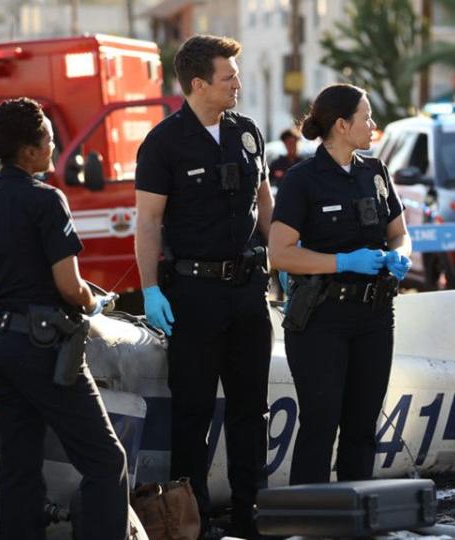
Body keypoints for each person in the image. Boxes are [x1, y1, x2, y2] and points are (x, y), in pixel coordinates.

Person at [133, 34, 273, 538]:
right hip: (193, 295)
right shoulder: (164, 142)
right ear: (198, 84)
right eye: (228, 76)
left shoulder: (248, 132)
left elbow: (264, 205)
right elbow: (147, 223)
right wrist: (150, 290)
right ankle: (191, 521)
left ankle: (249, 514)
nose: (238, 83)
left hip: (247, 293)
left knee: (249, 409)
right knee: (192, 411)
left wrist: (277, 261)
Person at [0, 97, 127, 540]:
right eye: (48, 139)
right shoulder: (47, 200)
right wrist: (91, 303)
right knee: (104, 460)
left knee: (20, 463)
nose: (54, 146)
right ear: (29, 151)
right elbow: (68, 285)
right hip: (42, 347)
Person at [268, 83, 412, 485]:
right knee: (320, 423)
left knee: (363, 426)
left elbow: (399, 232)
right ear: (342, 125)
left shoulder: (376, 172)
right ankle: (309, 521)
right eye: (366, 117)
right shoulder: (303, 180)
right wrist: (342, 262)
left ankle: (355, 518)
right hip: (321, 318)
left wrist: (402, 254)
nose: (373, 124)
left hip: (374, 315)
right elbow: (279, 253)